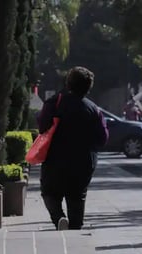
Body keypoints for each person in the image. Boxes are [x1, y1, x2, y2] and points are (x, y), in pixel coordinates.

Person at [38, 66, 109, 230]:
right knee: (77, 196)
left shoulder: (54, 103)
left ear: (68, 84)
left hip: (55, 158)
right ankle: (76, 226)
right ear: (88, 87)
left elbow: (42, 127)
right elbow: (102, 138)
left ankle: (58, 217)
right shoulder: (93, 109)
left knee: (50, 192)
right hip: (84, 160)